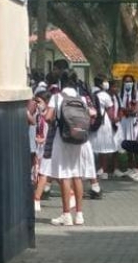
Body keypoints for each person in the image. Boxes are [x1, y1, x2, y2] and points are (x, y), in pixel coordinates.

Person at [44, 70, 96, 226]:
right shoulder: (82, 98)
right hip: (79, 141)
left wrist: (54, 121)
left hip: (63, 139)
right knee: (77, 176)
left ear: (61, 82)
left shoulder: (57, 97)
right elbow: (90, 117)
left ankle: (66, 214)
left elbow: (48, 117)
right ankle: (79, 215)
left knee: (64, 176)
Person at [88, 75, 117, 198]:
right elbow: (110, 111)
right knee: (104, 147)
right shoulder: (105, 95)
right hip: (103, 123)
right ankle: (103, 170)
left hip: (92, 122)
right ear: (102, 83)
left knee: (92, 147)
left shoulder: (89, 93)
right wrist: (115, 121)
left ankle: (94, 169)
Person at [113, 74, 138, 177]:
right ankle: (126, 167)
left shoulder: (136, 93)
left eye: (130, 81)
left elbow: (136, 110)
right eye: (126, 81)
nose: (128, 83)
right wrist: (126, 110)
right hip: (124, 121)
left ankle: (135, 167)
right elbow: (121, 108)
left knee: (133, 143)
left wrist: (129, 110)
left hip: (133, 121)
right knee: (124, 143)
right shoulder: (120, 94)